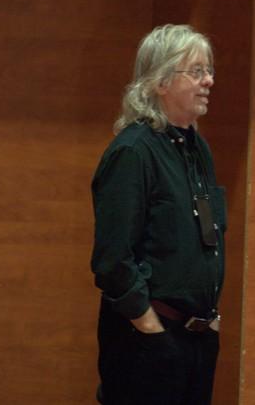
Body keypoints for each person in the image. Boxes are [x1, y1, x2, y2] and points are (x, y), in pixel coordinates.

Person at [91, 24, 226, 405]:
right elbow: (113, 261)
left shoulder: (197, 149)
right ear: (161, 81)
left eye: (209, 70)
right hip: (147, 341)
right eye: (196, 71)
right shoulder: (133, 152)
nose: (209, 81)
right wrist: (151, 329)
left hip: (197, 339)